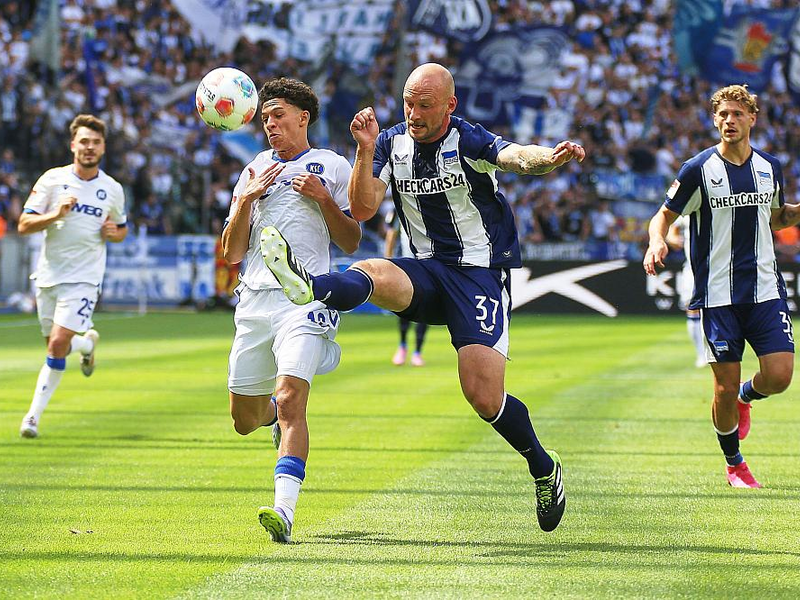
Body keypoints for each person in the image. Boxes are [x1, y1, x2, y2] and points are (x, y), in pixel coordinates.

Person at [260, 63, 585, 532]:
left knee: (483, 396)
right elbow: (366, 208)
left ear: (449, 105)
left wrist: (550, 158)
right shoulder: (392, 142)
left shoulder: (469, 140)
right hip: (427, 271)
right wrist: (366, 149)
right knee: (371, 270)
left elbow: (516, 156)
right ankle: (312, 285)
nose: (414, 112)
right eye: (409, 102)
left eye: (425, 104)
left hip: (478, 276)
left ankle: (542, 466)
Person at [221, 77, 360, 543]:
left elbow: (351, 240)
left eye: (277, 114)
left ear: (303, 117)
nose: (270, 123)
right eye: (264, 117)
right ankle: (275, 420)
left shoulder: (332, 165)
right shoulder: (254, 168)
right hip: (254, 301)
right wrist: (244, 200)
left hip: (304, 300)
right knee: (244, 420)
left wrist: (323, 198)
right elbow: (231, 252)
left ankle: (284, 510)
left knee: (291, 400)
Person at [644, 84, 800, 488]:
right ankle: (735, 464)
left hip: (765, 290)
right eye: (722, 115)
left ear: (752, 118)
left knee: (780, 376)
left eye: (736, 114)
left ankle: (750, 396)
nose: (729, 121)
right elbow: (662, 216)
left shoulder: (770, 166)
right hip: (717, 298)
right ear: (715, 120)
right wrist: (657, 240)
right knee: (723, 387)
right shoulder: (697, 170)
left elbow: (777, 217)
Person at [17, 114, 128, 438]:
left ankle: (32, 417)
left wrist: (114, 232)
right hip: (49, 276)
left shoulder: (112, 189)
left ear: (103, 147)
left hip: (84, 278)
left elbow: (121, 228)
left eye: (95, 142)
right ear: (73, 145)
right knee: (58, 348)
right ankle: (86, 344)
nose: (89, 147)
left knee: (55, 344)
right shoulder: (52, 180)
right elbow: (24, 225)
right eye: (84, 141)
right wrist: (56, 214)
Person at [384, 206, 428, 366]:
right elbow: (391, 235)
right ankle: (402, 346)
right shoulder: (398, 207)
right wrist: (387, 261)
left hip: (426, 264)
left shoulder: (428, 204)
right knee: (404, 306)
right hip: (405, 265)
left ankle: (417, 352)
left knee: (424, 308)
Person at [666, 216, 707, 368]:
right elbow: (672, 227)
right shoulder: (688, 205)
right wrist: (673, 238)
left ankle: (713, 352)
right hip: (692, 268)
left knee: (712, 311)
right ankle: (700, 354)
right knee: (692, 309)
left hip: (718, 268)